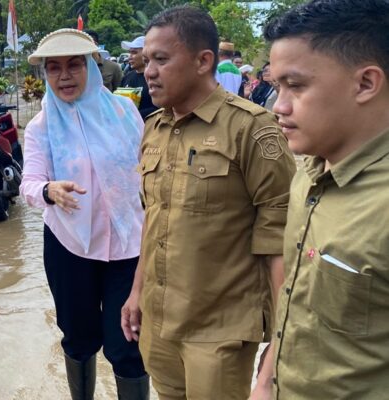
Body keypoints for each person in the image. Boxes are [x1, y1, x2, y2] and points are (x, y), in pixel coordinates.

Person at [120, 6, 296, 400]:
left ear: (204, 61)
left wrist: (281, 346)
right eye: (147, 60)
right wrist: (136, 292)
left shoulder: (252, 129)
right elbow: (154, 217)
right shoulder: (154, 129)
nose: (148, 71)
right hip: (160, 320)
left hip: (221, 330)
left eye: (161, 60)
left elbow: (282, 239)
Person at [250, 1, 389, 399]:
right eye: (276, 86)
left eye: (296, 85)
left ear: (365, 83)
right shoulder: (309, 175)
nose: (279, 106)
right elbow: (296, 300)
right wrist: (265, 380)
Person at [20, 29, 149, 400]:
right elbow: (28, 183)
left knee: (128, 342)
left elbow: (147, 170)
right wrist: (49, 190)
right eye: (54, 68)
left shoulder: (124, 111)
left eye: (74, 65)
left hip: (129, 245)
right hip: (69, 245)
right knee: (78, 338)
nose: (64, 76)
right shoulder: (40, 126)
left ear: (92, 67)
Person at [119, 35, 158, 120]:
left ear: (146, 53)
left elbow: (159, 107)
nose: (130, 57)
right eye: (130, 52)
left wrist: (135, 115)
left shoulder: (155, 77)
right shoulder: (127, 77)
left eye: (134, 52)